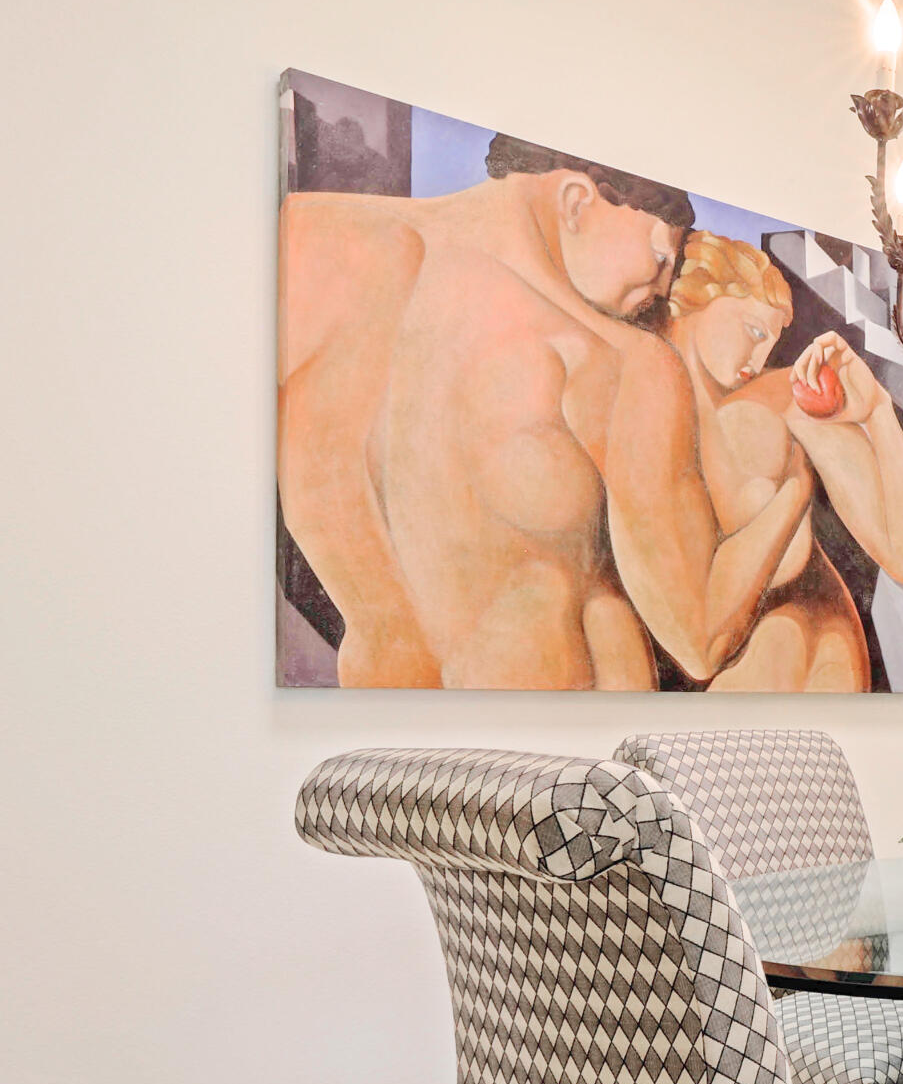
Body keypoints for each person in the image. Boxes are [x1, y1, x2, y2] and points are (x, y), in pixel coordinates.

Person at [279, 135, 697, 688]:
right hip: (516, 745)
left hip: (537, 741)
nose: (663, 289)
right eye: (663, 256)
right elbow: (697, 638)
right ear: (576, 202)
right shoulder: (613, 356)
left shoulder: (319, 236)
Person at [656, 232, 903, 692]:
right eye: (753, 331)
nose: (761, 357)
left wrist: (878, 411)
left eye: (772, 340)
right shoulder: (642, 420)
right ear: (692, 301)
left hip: (814, 673)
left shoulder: (783, 399)